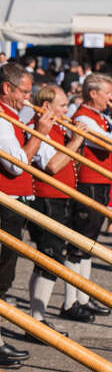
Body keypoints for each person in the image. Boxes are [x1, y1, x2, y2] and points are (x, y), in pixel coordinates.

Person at [0, 63, 52, 368]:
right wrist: (41, 132)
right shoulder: (1, 117)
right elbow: (15, 164)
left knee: (5, 272)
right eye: (23, 91)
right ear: (7, 88)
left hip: (13, 201)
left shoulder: (10, 116)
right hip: (1, 201)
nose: (27, 97)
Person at [24, 85, 90, 337]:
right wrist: (75, 142)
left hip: (59, 198)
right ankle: (36, 322)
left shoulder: (56, 126)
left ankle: (38, 319)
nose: (67, 110)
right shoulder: (40, 128)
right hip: (47, 199)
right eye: (62, 106)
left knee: (51, 258)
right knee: (49, 259)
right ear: (47, 106)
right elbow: (51, 165)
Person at [64, 74, 112, 320]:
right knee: (79, 244)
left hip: (101, 182)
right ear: (93, 94)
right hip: (88, 182)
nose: (110, 98)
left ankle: (82, 296)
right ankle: (70, 301)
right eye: (107, 93)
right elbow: (105, 143)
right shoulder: (83, 116)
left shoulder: (101, 116)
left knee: (89, 244)